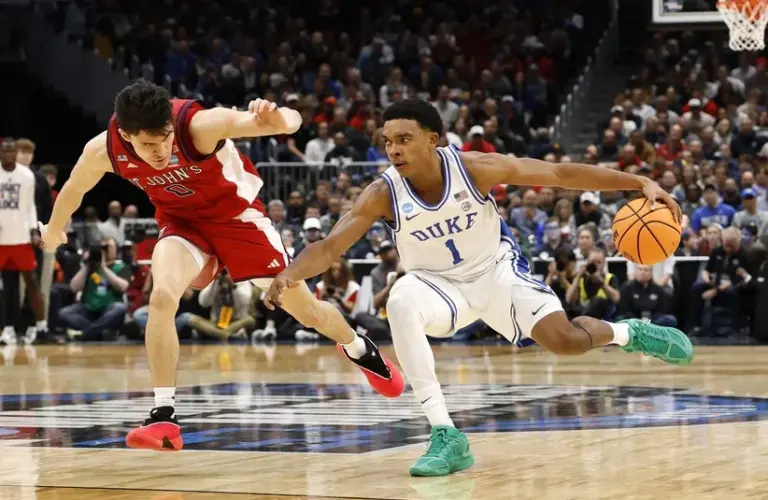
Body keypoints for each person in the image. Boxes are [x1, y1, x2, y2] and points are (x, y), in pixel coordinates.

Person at [264, 99, 693, 477]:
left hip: (496, 272)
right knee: (400, 299)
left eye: (404, 138)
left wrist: (639, 183)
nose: (393, 149)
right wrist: (291, 273)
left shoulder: (475, 168)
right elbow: (332, 244)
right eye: (387, 140)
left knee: (564, 342)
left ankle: (630, 333)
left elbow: (560, 173)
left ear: (433, 139)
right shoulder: (382, 192)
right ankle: (445, 434)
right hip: (438, 287)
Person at [38, 80, 403, 452]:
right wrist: (53, 229)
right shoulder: (103, 150)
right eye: (149, 145)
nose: (162, 150)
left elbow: (289, 123)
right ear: (127, 136)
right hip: (181, 223)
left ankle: (358, 347)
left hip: (237, 219)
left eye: (165, 138)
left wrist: (275, 114)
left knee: (307, 312)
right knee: (162, 297)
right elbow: (74, 188)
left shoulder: (198, 126)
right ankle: (164, 416)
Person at [0, 138, 47, 345]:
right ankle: (6, 328)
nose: (9, 155)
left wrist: (34, 231)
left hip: (21, 239)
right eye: (6, 152)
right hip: (1, 240)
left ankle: (40, 325)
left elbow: (30, 207)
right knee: (6, 286)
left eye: (12, 152)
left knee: (32, 282)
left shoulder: (27, 176)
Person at [58, 238, 130, 340]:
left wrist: (103, 268)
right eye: (103, 247)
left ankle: (88, 333)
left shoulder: (121, 267)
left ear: (116, 250)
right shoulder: (89, 268)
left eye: (109, 247)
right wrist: (87, 265)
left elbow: (123, 287)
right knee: (64, 313)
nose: (106, 250)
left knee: (119, 308)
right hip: (88, 309)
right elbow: (73, 288)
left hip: (109, 309)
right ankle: (97, 331)